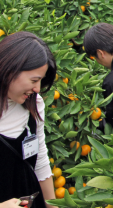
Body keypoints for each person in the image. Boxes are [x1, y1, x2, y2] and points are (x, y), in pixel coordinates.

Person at [0, 32, 56, 207]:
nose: (37, 88)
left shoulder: (34, 104)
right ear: (10, 70)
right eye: (34, 80)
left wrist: (52, 204)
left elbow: (40, 159)